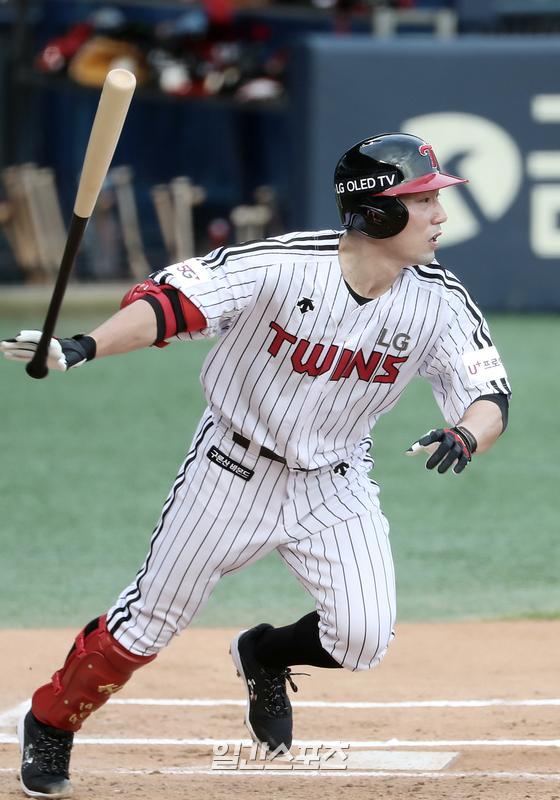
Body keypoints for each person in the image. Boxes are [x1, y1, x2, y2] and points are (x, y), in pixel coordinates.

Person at [1, 132, 511, 799]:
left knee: (362, 638)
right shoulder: (283, 265)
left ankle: (263, 655)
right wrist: (83, 345)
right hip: (230, 471)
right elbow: (170, 307)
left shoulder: (438, 300)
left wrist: (468, 434)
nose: (441, 214)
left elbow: (488, 393)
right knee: (149, 622)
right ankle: (50, 722)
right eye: (423, 200)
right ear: (376, 212)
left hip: (335, 483)